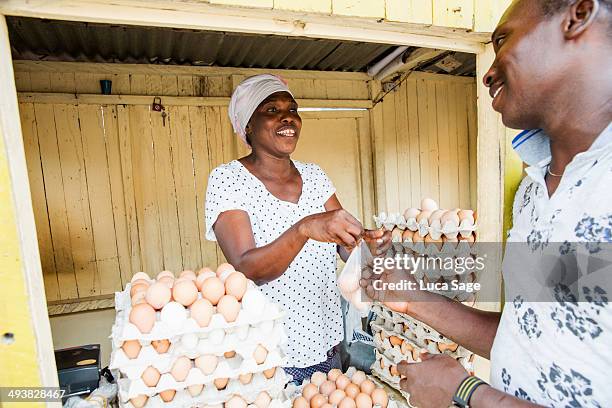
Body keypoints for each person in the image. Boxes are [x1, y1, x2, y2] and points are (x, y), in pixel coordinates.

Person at [375, 0, 612, 407]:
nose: (486, 71)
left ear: (578, 16)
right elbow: (533, 333)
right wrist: (409, 296)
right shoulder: (536, 188)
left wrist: (467, 393)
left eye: (503, 40)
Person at [205, 74, 391, 384]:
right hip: (272, 355)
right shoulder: (229, 180)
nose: (288, 116)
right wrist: (304, 227)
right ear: (248, 126)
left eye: (292, 108)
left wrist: (368, 242)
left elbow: (347, 245)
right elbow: (247, 267)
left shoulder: (315, 176)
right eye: (272, 110)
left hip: (328, 341)